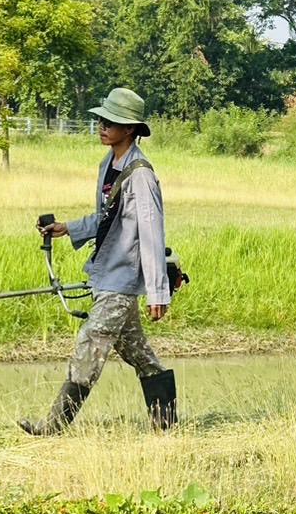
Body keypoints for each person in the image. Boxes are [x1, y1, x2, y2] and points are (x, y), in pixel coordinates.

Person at [19, 87, 177, 435]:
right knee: (140, 354)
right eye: (102, 120)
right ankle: (167, 426)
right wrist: (67, 228)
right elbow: (105, 219)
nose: (102, 126)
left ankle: (53, 426)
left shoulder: (141, 176)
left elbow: (151, 236)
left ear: (131, 129)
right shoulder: (108, 165)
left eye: (112, 122)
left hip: (122, 278)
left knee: (90, 343)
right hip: (105, 273)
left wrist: (157, 291)